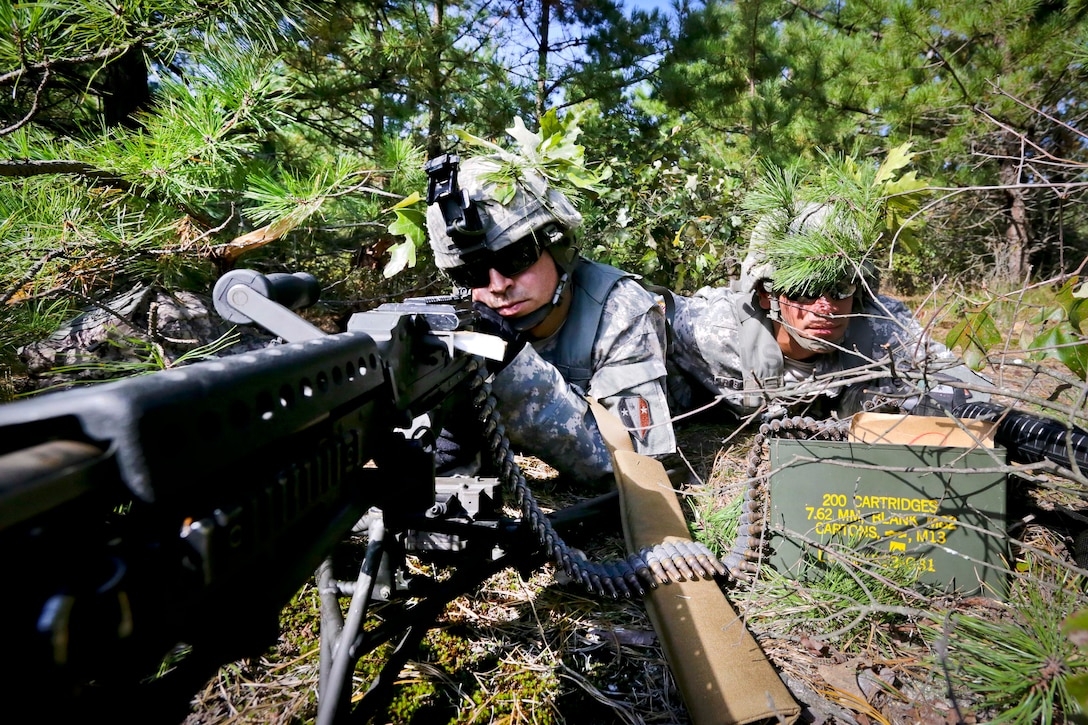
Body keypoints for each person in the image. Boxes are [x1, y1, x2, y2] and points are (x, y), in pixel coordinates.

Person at [425, 153, 675, 484]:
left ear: (558, 245)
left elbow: (639, 463)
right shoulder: (467, 325)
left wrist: (514, 366)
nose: (498, 286)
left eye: (515, 258)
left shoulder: (620, 311)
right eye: (473, 274)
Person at [667, 187, 990, 421]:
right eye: (805, 290)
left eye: (840, 289)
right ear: (767, 295)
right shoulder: (714, 328)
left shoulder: (882, 328)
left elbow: (956, 379)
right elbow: (651, 320)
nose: (826, 308)